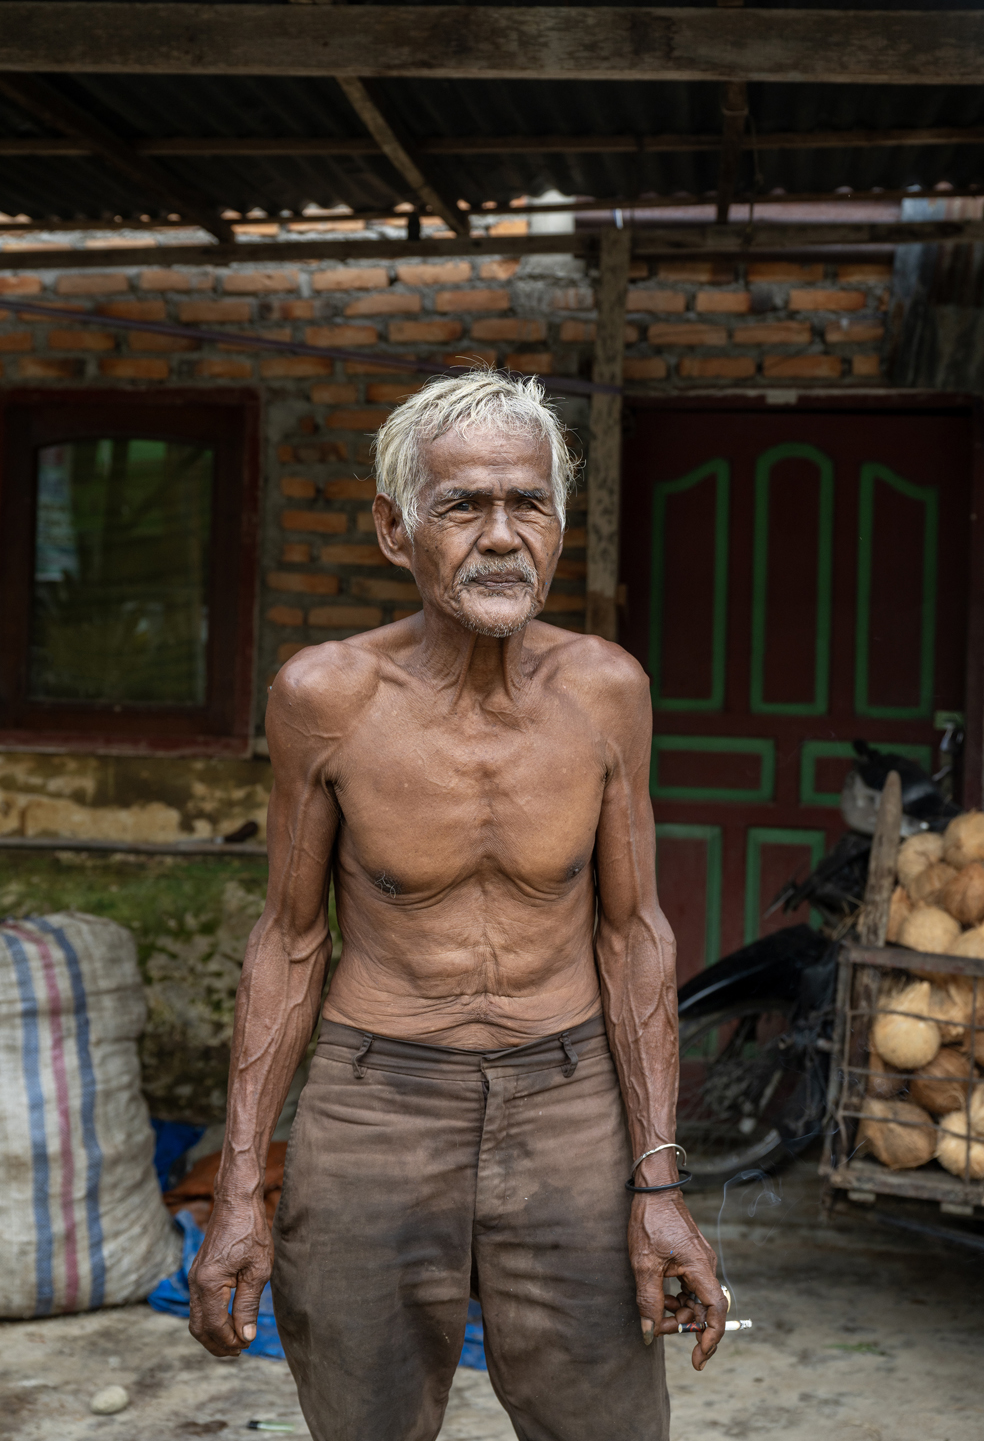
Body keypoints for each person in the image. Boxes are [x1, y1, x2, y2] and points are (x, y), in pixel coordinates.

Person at [188, 370, 725, 1441]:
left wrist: (658, 1181)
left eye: (528, 503)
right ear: (396, 530)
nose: (500, 537)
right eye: (462, 506)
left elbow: (633, 934)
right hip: (375, 1100)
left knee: (610, 1421)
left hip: (569, 1102)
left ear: (560, 526)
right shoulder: (326, 698)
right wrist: (238, 1190)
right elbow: (290, 941)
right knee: (364, 1418)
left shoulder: (607, 692)